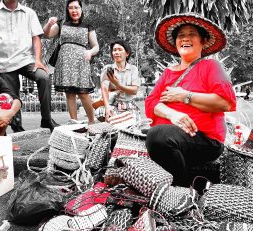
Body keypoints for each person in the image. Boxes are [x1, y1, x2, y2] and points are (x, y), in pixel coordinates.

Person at [145, 13, 236, 187]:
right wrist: (172, 114)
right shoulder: (168, 73)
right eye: (181, 35)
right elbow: (151, 103)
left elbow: (226, 102)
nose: (185, 38)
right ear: (176, 43)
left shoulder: (211, 66)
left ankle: (181, 191)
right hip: (173, 135)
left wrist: (184, 96)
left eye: (192, 34)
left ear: (203, 41)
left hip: (204, 139)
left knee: (157, 136)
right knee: (156, 135)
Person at [0, 0, 58, 132]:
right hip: (3, 61)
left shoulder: (29, 13)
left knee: (44, 77)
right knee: (11, 96)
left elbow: (36, 38)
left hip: (26, 59)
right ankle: (17, 128)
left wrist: (38, 60)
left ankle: (46, 119)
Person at [43, 0, 99, 124]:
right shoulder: (62, 23)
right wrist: (49, 24)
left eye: (77, 7)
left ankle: (92, 122)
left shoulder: (88, 26)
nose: (74, 10)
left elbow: (96, 46)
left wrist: (90, 52)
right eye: (71, 8)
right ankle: (74, 123)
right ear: (67, 9)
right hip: (65, 62)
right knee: (70, 93)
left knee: (83, 92)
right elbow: (47, 34)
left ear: (81, 9)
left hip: (81, 63)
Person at [98, 39, 140, 122]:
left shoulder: (133, 69)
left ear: (127, 53)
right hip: (113, 104)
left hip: (129, 105)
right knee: (100, 112)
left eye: (120, 50)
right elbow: (104, 89)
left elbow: (134, 91)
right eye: (114, 50)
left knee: (131, 127)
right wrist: (107, 107)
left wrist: (118, 85)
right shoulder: (107, 68)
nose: (116, 52)